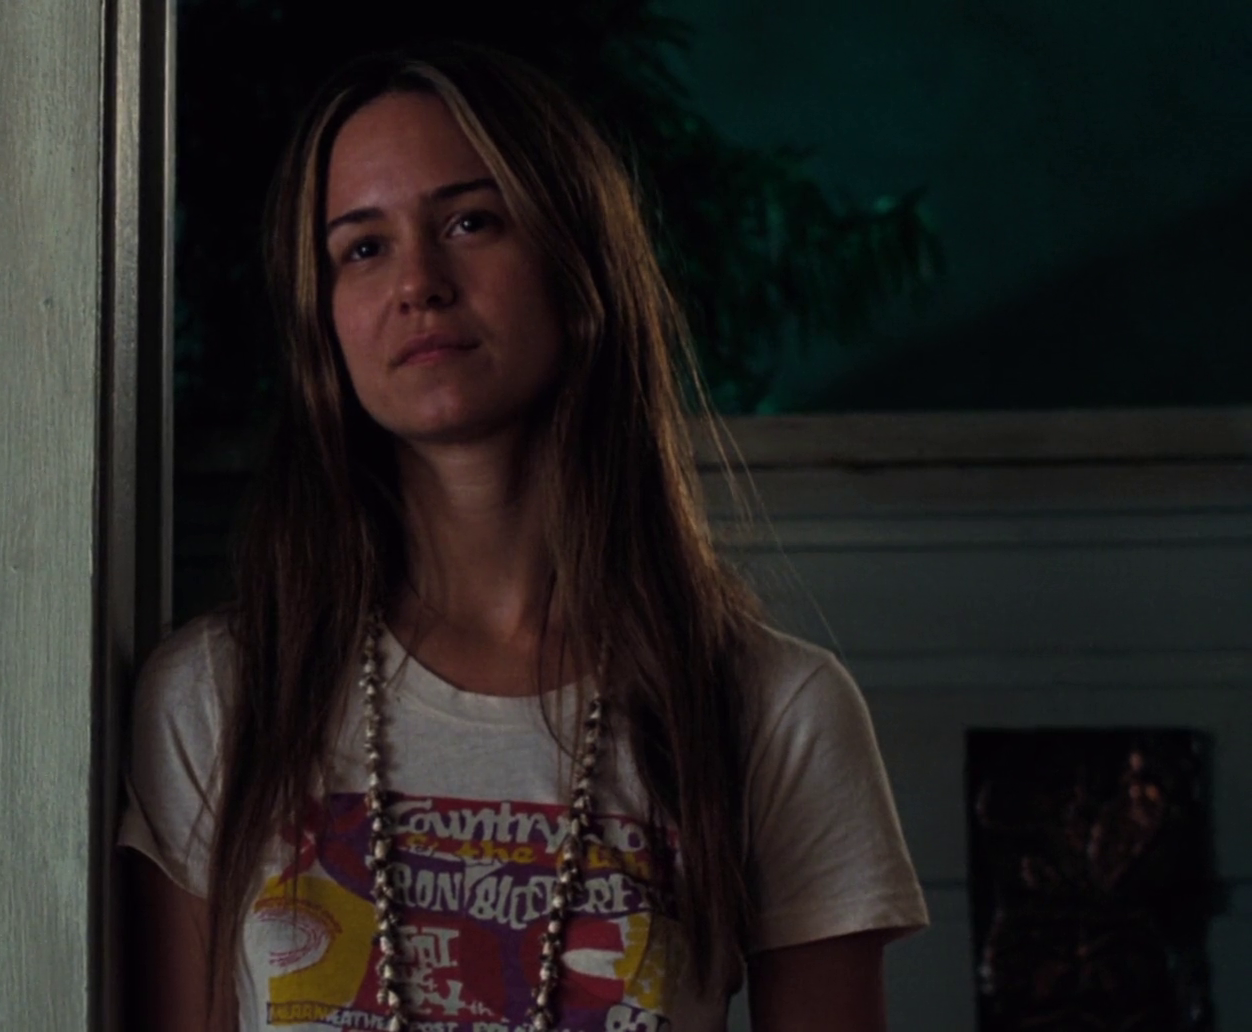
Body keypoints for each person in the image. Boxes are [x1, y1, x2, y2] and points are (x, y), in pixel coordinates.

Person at [121, 43, 928, 1032]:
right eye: (362, 248)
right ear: (321, 319)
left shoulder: (772, 709)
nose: (419, 282)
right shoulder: (218, 695)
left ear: (575, 263)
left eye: (471, 222)